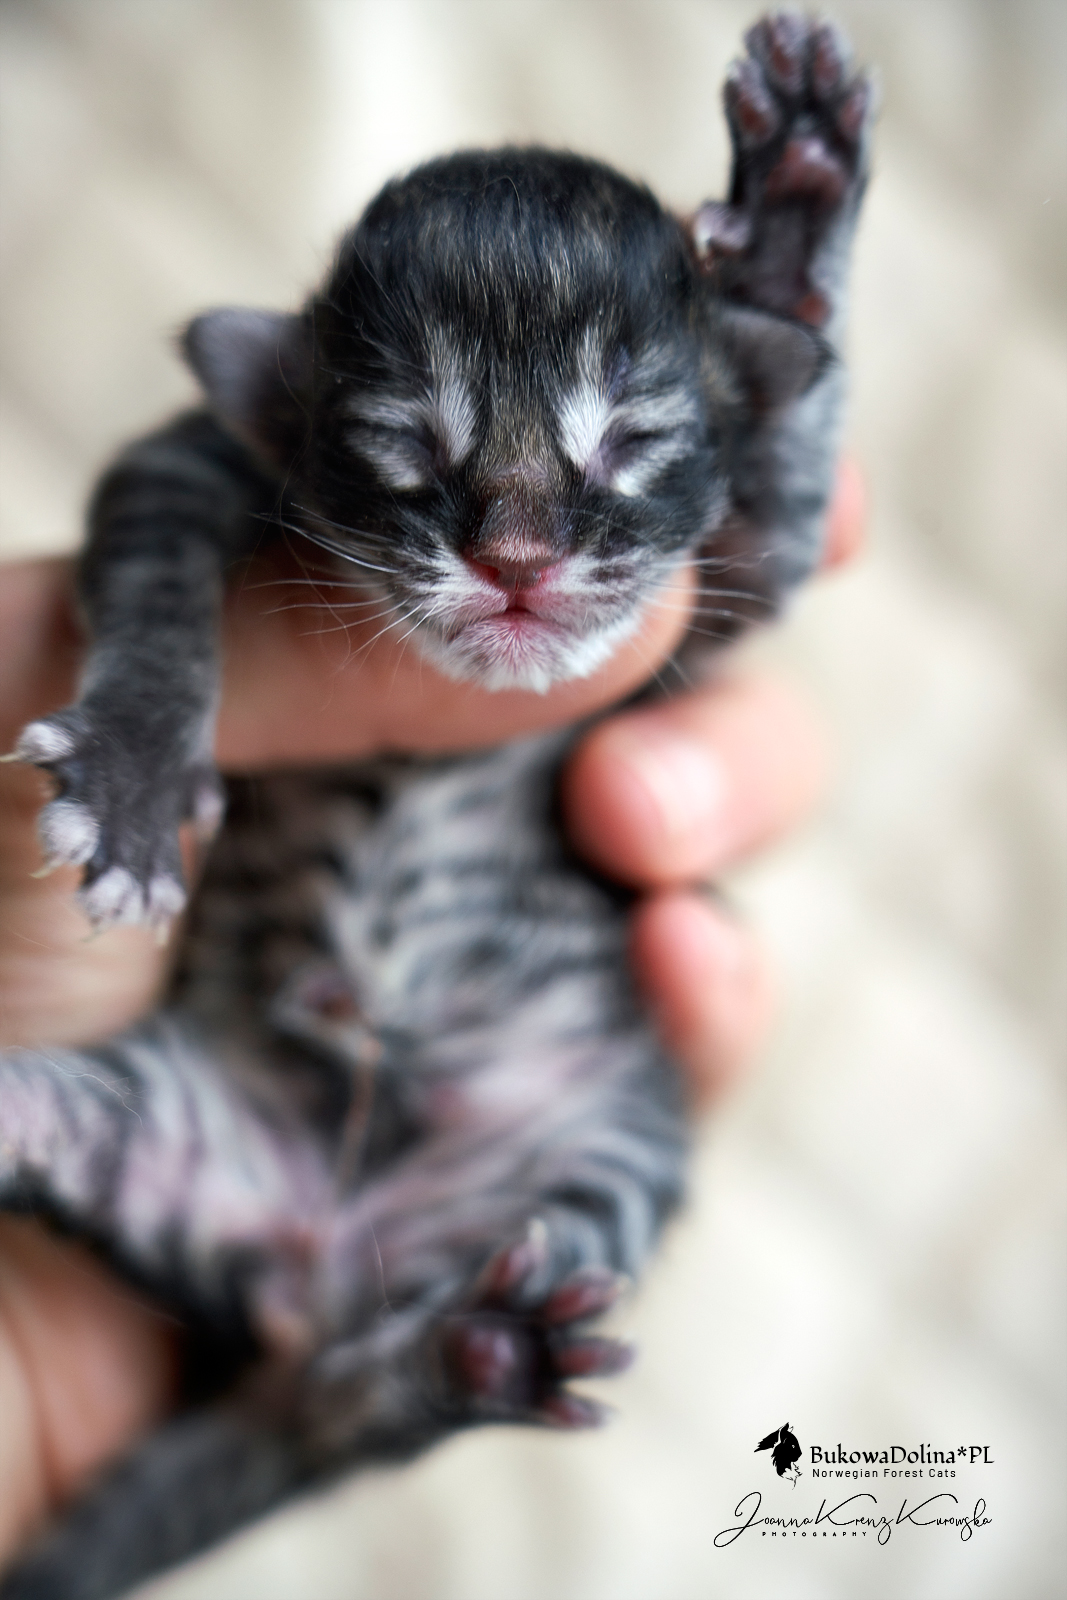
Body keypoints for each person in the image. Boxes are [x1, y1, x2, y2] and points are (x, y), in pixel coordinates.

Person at [0, 463, 864, 1563]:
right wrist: (140, 693)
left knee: (604, 1149)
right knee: (46, 1114)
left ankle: (399, 1375)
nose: (516, 549)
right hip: (227, 1090)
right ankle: (384, 1374)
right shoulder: (304, 492)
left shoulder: (638, 556)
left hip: (432, 1134)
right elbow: (172, 495)